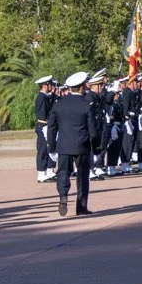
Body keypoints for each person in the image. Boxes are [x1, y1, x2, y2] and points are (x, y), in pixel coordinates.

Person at [47, 71, 102, 216]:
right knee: (83, 177)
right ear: (83, 86)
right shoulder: (86, 105)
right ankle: (81, 207)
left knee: (63, 173)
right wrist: (96, 148)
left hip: (64, 145)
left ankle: (63, 196)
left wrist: (51, 146)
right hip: (82, 145)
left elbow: (51, 127)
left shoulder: (59, 104)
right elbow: (93, 131)